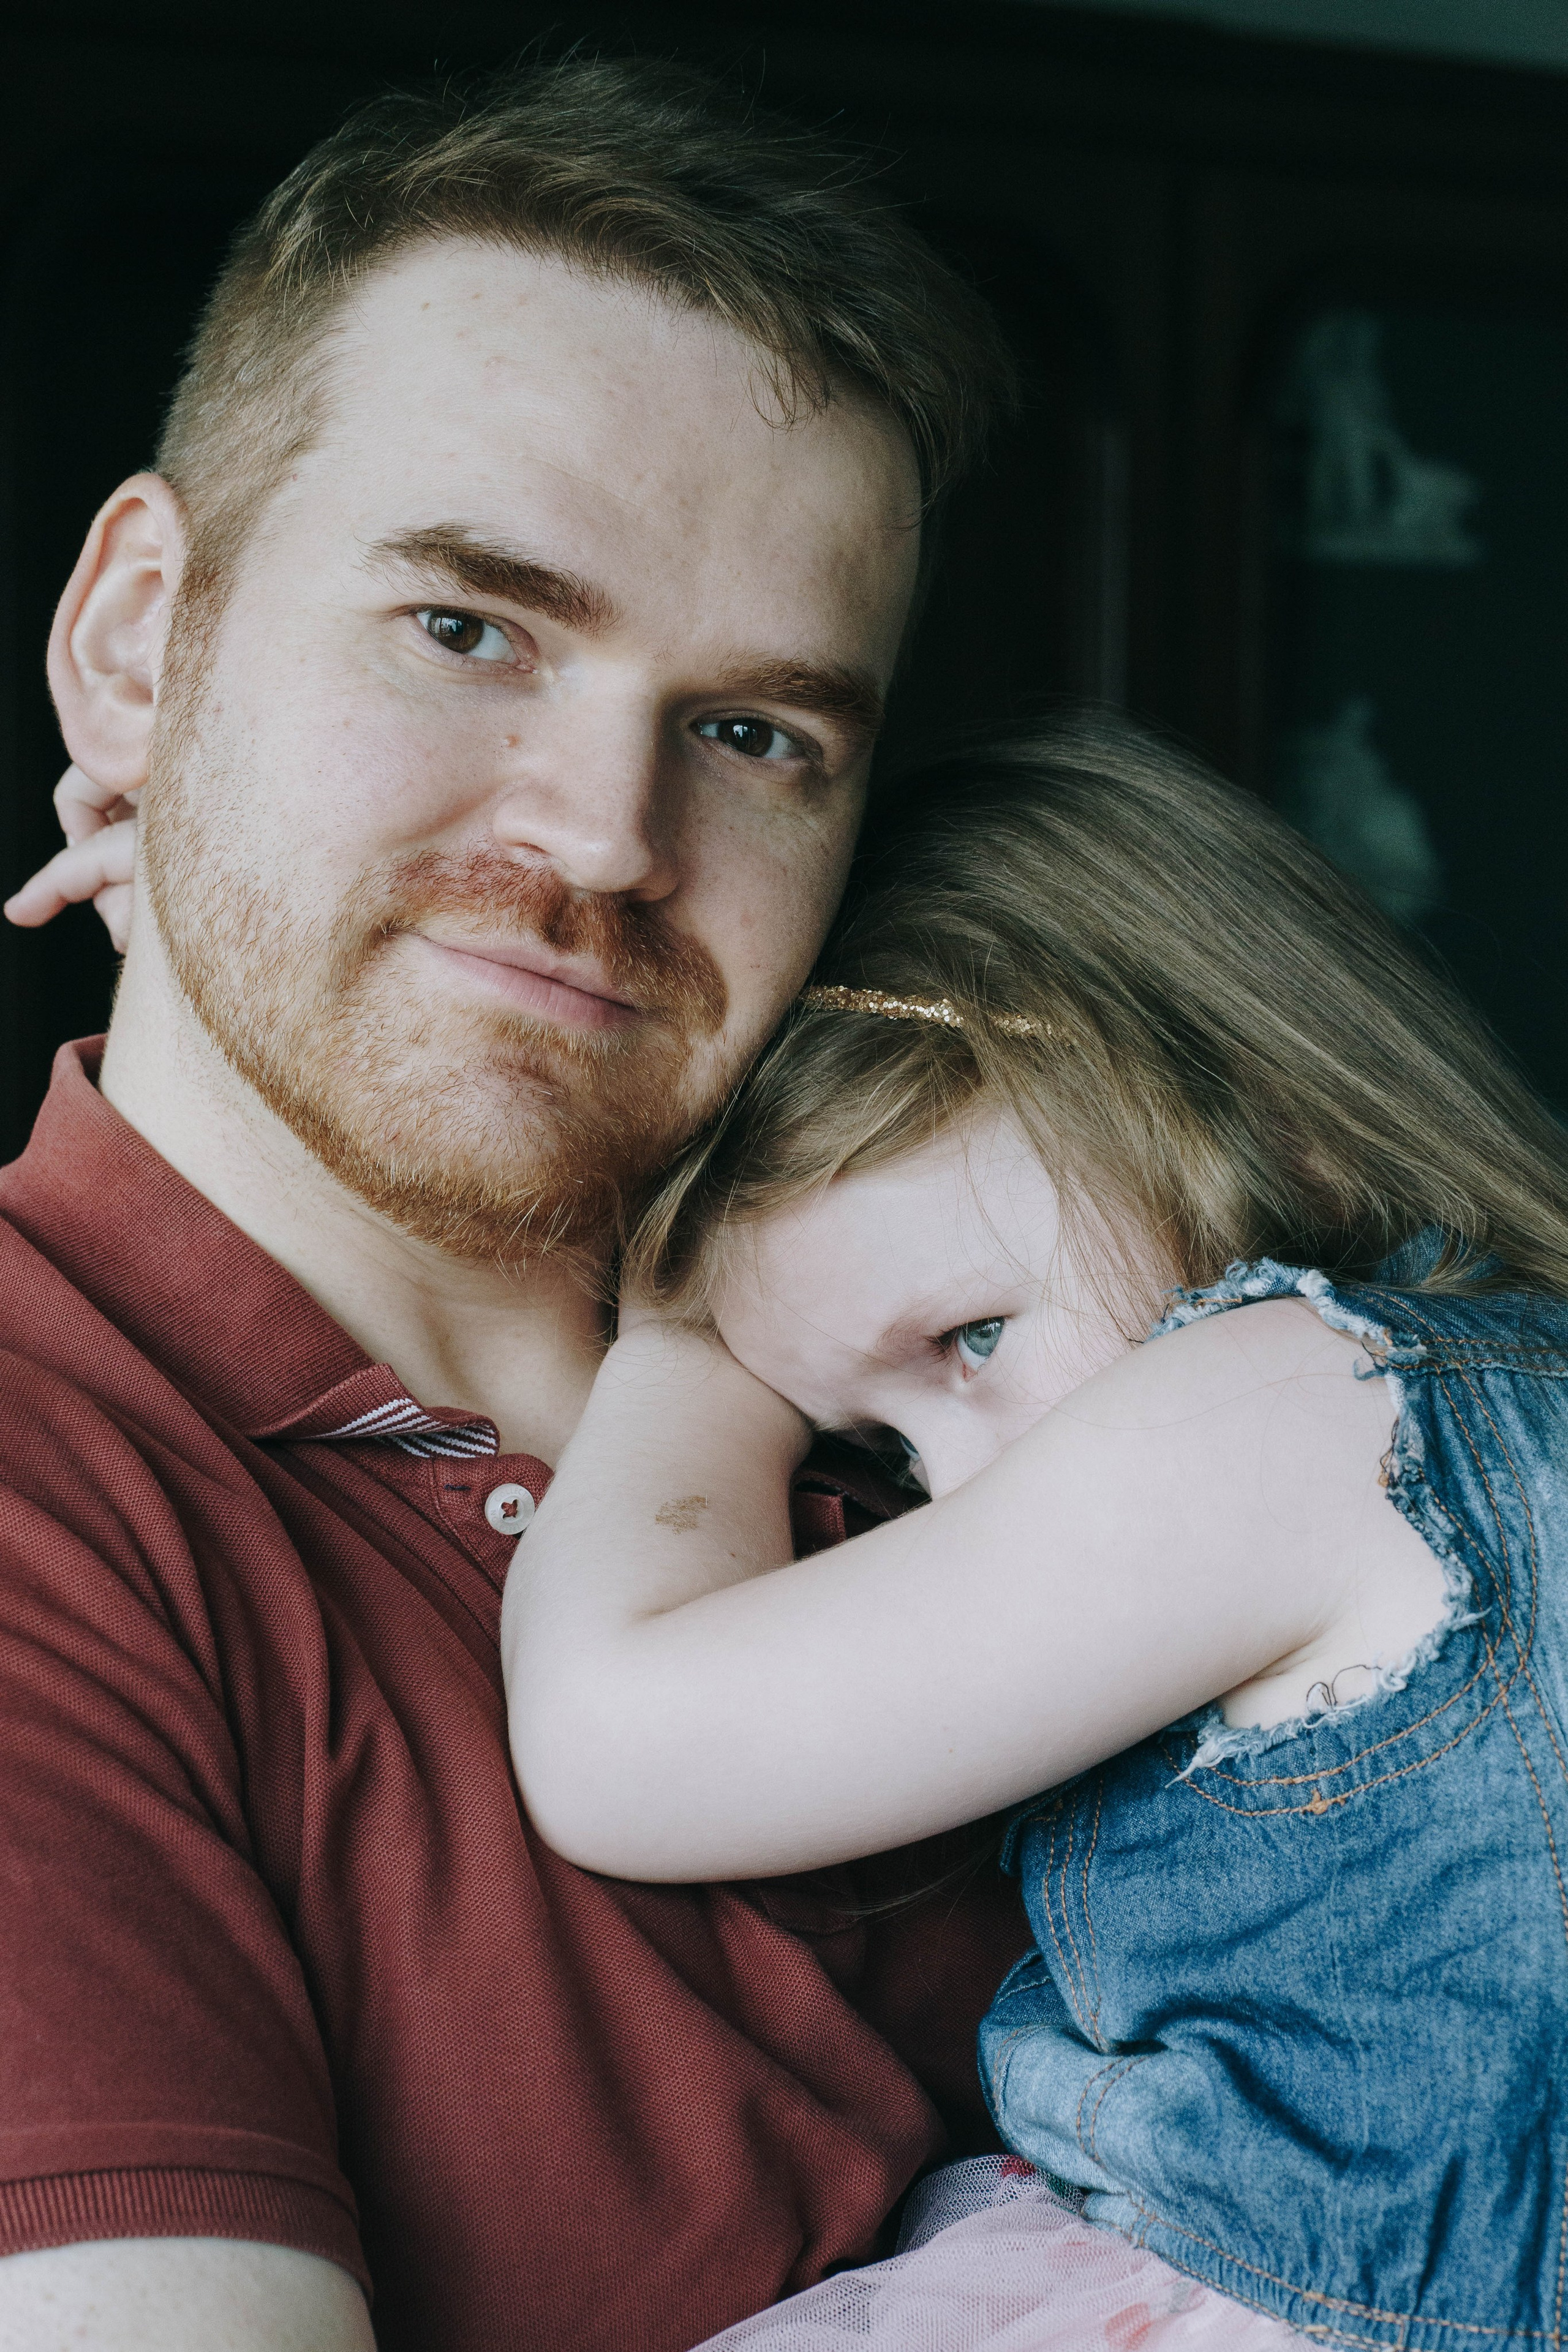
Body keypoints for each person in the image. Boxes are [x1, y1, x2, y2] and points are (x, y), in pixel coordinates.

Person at [0, 57, 1030, 2352]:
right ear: (142, 643)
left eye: (757, 734)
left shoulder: (983, 1364)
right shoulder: (45, 1486)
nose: (601, 839)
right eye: (468, 628)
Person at [501, 720, 1568, 2349]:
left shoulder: (1294, 1409)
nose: (964, 1485)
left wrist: (685, 1349)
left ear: (1275, 1118)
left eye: (972, 1340)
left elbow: (616, 1733)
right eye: (876, 1446)